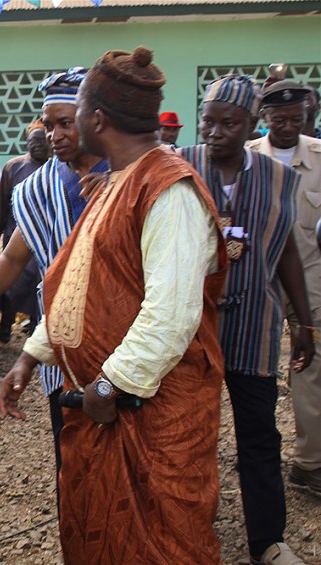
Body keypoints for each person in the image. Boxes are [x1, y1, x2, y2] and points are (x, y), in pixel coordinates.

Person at [26, 47, 228, 561]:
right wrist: (33, 353)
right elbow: (78, 284)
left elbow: (171, 314)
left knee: (162, 540)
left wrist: (109, 383)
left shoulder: (168, 189)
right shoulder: (116, 182)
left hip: (153, 413)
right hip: (106, 404)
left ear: (96, 118)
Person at [0, 67, 108, 483]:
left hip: (125, 349)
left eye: (66, 123)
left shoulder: (129, 178)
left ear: (93, 119)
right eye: (49, 125)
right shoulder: (41, 187)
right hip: (61, 345)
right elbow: (12, 258)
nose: (54, 135)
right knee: (74, 466)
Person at [180, 74, 314, 565]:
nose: (214, 132)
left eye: (228, 124)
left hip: (254, 326)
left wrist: (303, 322)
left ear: (250, 123)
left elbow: (289, 255)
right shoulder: (181, 166)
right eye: (208, 122)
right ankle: (189, 531)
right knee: (190, 434)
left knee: (259, 434)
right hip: (191, 329)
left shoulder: (278, 178)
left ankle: (268, 542)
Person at [248, 80, 321, 501]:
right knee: (255, 375)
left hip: (310, 287)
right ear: (265, 119)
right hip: (258, 290)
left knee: (309, 373)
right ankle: (255, 450)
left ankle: (308, 463)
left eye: (297, 118)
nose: (290, 126)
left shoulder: (318, 156)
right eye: (280, 119)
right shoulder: (246, 158)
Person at [0, 122, 49, 342]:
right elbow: (0, 206)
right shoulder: (14, 167)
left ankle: (36, 327)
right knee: (10, 283)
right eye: (34, 142)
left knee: (39, 284)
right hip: (16, 234)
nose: (38, 147)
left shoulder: (57, 167)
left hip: (45, 238)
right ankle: (5, 324)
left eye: (42, 142)